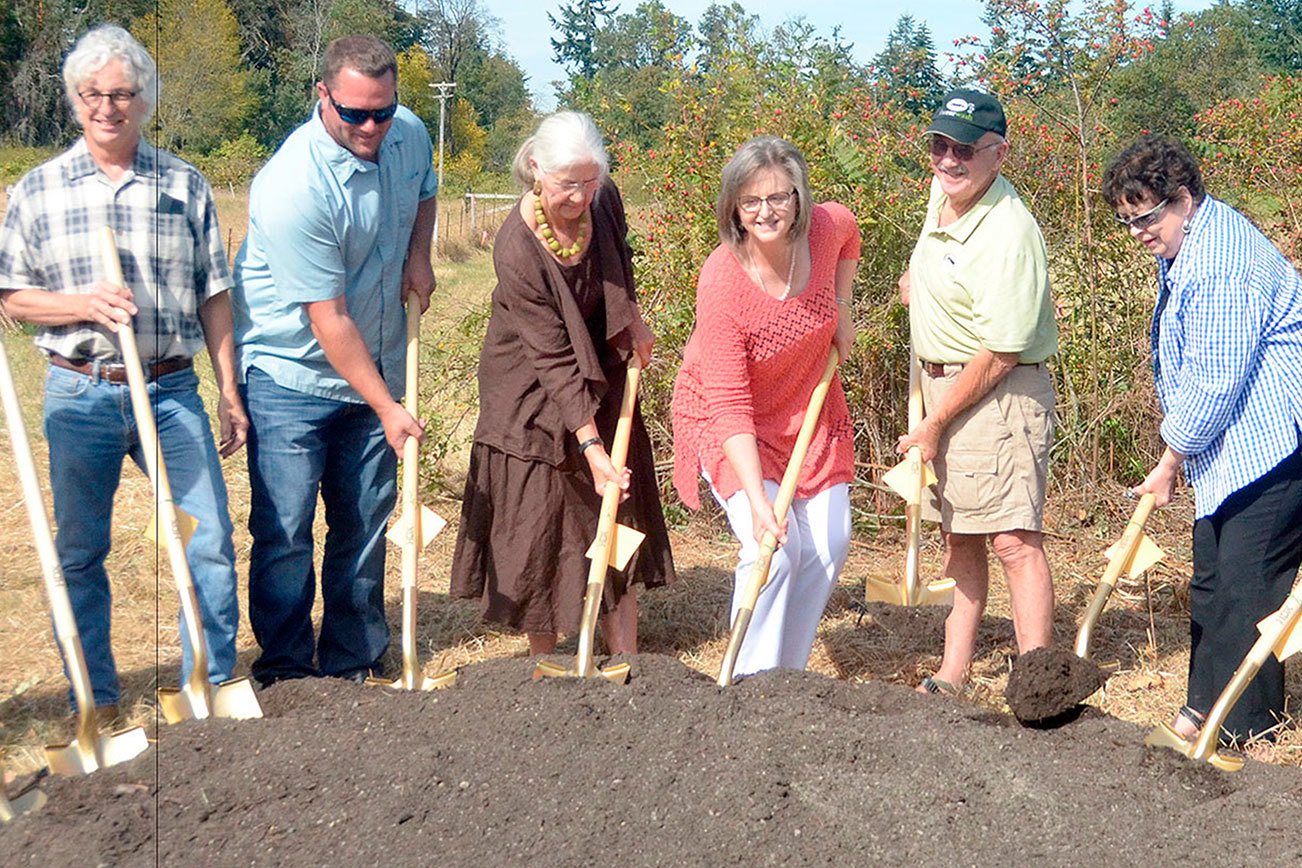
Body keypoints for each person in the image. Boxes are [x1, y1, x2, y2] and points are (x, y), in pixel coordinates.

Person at [0, 25, 245, 722]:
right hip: (80, 390)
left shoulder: (184, 185)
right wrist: (83, 304)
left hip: (170, 389)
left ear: (144, 100)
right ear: (74, 99)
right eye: (92, 94)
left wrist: (228, 390)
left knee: (206, 538)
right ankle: (97, 699)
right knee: (82, 551)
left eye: (121, 94)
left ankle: (209, 685)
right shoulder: (38, 190)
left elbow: (214, 295)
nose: (106, 107)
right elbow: (11, 295)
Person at [232, 35, 436, 686]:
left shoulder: (408, 133)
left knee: (364, 523)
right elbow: (330, 320)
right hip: (291, 376)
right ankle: (289, 672)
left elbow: (425, 189)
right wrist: (389, 408)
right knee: (286, 530)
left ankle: (353, 662)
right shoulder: (293, 185)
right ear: (323, 96)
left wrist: (420, 254)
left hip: (377, 358)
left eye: (383, 111)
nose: (372, 127)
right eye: (355, 114)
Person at [450, 112, 675, 654]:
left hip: (601, 361)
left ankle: (625, 656)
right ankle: (545, 662)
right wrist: (590, 445)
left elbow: (619, 264)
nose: (581, 197)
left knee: (616, 502)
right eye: (568, 184)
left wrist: (631, 320)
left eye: (590, 182)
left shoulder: (604, 198)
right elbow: (551, 359)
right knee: (540, 520)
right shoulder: (516, 247)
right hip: (527, 383)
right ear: (536, 168)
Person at [1102, 135, 1302, 742]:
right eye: (1127, 221)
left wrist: (1169, 462)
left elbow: (1216, 380)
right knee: (1212, 580)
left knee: (1245, 587)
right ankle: (1201, 709)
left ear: (1184, 199)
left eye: (1145, 217)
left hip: (1277, 446)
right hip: (1238, 444)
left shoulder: (1220, 265)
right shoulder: (1190, 239)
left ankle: (1243, 731)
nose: (1138, 232)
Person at [671, 136, 860, 678]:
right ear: (734, 207)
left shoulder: (822, 228)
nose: (765, 211)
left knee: (828, 544)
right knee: (773, 552)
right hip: (731, 420)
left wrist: (842, 309)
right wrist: (757, 502)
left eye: (778, 197)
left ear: (798, 198)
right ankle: (749, 682)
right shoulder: (722, 281)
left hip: (807, 410)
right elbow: (729, 403)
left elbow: (850, 233)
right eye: (751, 201)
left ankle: (786, 680)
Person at [898, 89, 1059, 696]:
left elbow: (1002, 350)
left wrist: (936, 421)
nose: (948, 159)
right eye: (939, 145)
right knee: (959, 533)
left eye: (964, 149)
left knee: (1013, 538)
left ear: (999, 154)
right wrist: (921, 282)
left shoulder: (1009, 231)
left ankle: (1039, 681)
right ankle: (954, 672)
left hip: (998, 393)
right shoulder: (944, 194)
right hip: (946, 387)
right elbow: (944, 264)